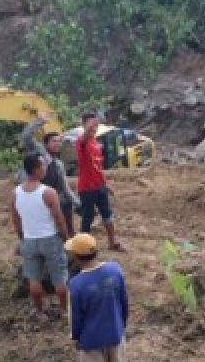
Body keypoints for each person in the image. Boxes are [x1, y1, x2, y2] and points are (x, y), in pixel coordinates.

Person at [67, 233, 132, 362]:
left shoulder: (76, 284)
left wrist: (76, 336)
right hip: (115, 329)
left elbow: (76, 316)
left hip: (91, 337)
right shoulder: (115, 270)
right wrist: (122, 323)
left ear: (76, 257)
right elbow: (124, 300)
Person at [10, 153, 71, 319]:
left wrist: (22, 238)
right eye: (43, 165)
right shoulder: (48, 192)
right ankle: (64, 310)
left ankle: (39, 311)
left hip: (29, 240)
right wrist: (66, 239)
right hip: (50, 239)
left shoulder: (15, 193)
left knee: (33, 278)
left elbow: (16, 220)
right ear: (37, 169)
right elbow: (59, 219)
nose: (46, 167)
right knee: (59, 277)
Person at [21, 111, 80, 234]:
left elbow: (65, 187)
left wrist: (78, 203)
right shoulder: (40, 154)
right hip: (37, 198)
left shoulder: (58, 164)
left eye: (59, 141)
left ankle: (70, 237)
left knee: (67, 204)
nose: (58, 144)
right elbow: (26, 137)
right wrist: (40, 121)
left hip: (53, 198)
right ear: (45, 144)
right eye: (54, 141)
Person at [76, 111, 125, 252]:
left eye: (96, 124)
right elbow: (84, 138)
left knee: (107, 215)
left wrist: (105, 184)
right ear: (84, 125)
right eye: (91, 124)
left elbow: (98, 167)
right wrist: (88, 128)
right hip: (86, 188)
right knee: (87, 218)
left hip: (99, 187)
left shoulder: (96, 143)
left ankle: (112, 243)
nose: (94, 127)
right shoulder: (81, 142)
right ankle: (82, 248)